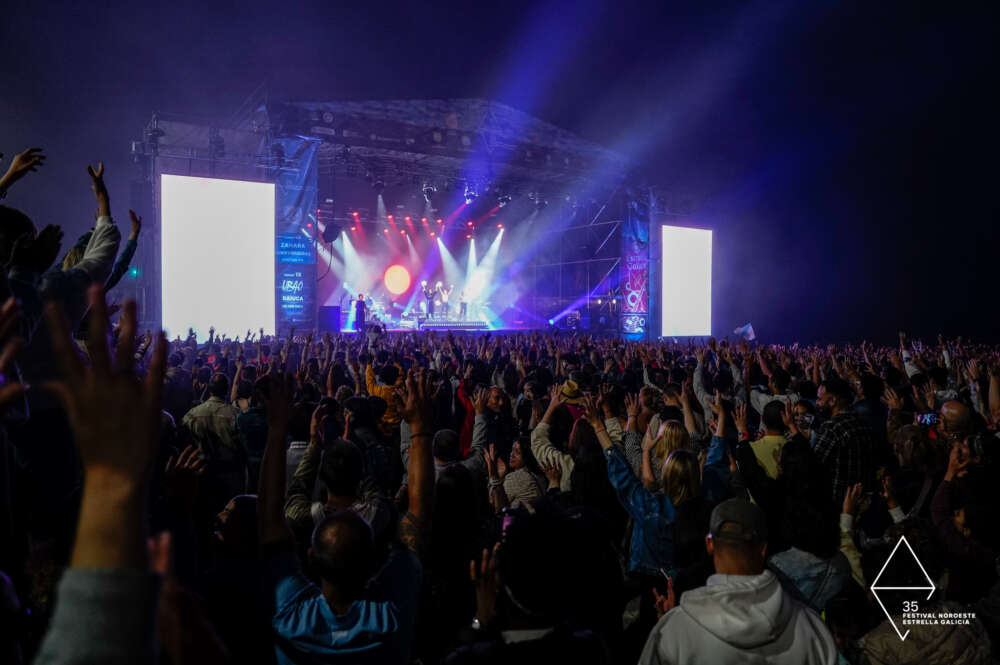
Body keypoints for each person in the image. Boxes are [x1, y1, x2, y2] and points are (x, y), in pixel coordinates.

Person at [256, 368, 433, 664]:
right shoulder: (390, 617)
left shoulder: (289, 616)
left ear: (310, 557)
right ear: (374, 560)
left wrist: (276, 429)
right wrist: (420, 430)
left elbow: (269, 518)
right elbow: (419, 515)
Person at [638, 498, 839, 665]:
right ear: (763, 548)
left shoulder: (674, 632)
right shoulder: (812, 630)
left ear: (709, 544)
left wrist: (669, 619)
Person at [813, 377, 876, 503]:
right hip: (861, 500)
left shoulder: (831, 428)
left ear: (832, 401)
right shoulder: (863, 423)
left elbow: (814, 466)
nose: (817, 403)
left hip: (838, 502)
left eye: (820, 399)